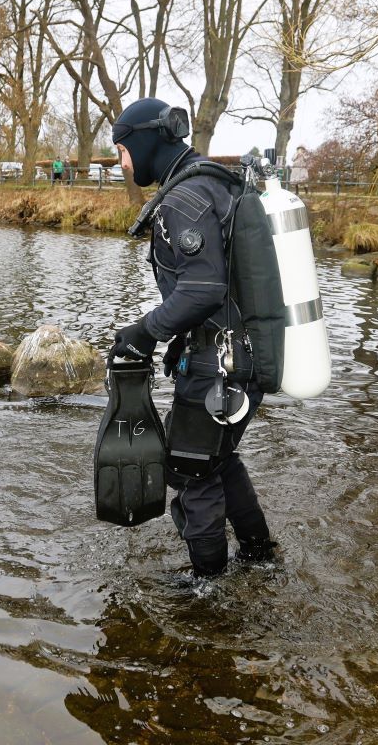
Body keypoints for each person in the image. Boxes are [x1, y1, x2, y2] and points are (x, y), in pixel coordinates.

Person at [109, 97, 277, 578]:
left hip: (220, 365)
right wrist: (179, 339)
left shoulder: (184, 199)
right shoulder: (214, 185)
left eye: (123, 149)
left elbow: (203, 288)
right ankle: (261, 557)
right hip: (240, 356)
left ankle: (209, 590)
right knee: (218, 460)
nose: (123, 162)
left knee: (189, 468)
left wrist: (146, 332)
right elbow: (220, 287)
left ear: (143, 142)